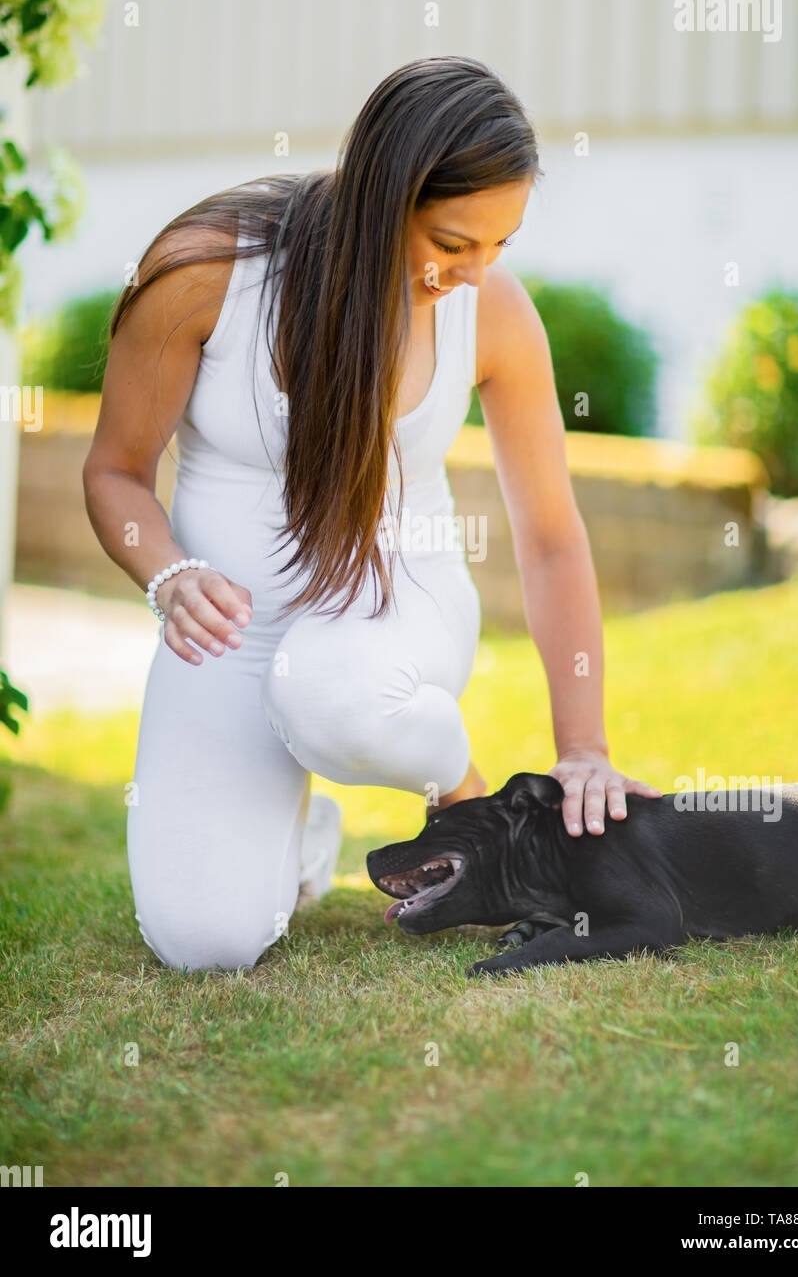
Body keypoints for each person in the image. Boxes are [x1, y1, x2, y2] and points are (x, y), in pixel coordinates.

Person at [83, 55, 662, 972]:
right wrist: (168, 571)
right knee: (206, 944)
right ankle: (300, 828)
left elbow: (550, 536)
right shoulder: (205, 276)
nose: (475, 275)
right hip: (229, 641)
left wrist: (582, 748)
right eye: (452, 242)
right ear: (379, 200)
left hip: (395, 623)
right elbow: (114, 473)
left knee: (329, 693)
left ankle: (473, 807)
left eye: (499, 245)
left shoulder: (492, 315)